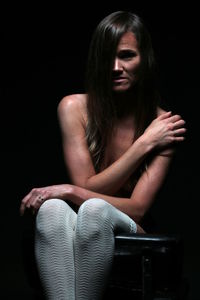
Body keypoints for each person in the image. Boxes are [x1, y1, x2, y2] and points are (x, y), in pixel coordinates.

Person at [20, 11, 186, 300]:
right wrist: (143, 145)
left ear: (144, 58)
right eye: (106, 57)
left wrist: (147, 141)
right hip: (83, 219)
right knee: (51, 210)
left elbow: (136, 208)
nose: (115, 67)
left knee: (94, 210)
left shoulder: (163, 127)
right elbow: (86, 185)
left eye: (126, 55)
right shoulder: (73, 108)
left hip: (129, 226)